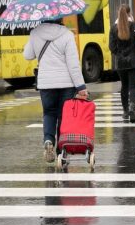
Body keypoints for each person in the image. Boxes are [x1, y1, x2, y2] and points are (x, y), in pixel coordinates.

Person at [24, 19, 88, 163]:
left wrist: (33, 39)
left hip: (46, 84)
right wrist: (81, 87)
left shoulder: (35, 33)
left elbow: (28, 55)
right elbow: (73, 65)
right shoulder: (67, 35)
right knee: (63, 117)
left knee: (48, 113)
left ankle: (48, 140)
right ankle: (61, 152)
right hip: (66, 84)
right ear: (60, 17)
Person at [108, 4, 135, 123]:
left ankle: (125, 111)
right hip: (134, 62)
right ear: (129, 13)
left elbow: (111, 47)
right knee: (133, 87)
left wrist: (120, 54)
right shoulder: (134, 26)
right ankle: (132, 108)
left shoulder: (113, 28)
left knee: (124, 86)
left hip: (121, 64)